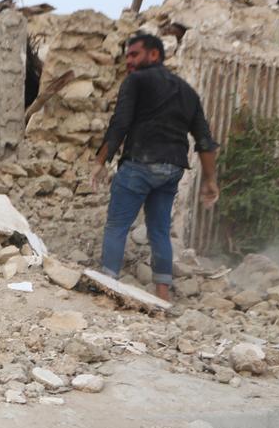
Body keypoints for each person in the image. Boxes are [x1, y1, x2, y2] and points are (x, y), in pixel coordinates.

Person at [90, 33, 220, 302]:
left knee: (117, 225)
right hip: (172, 170)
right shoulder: (188, 91)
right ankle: (162, 294)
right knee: (159, 230)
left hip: (140, 163)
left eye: (134, 55)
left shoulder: (135, 81)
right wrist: (210, 179)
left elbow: (120, 122)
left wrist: (101, 161)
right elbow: (205, 141)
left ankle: (108, 287)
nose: (129, 61)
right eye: (127, 56)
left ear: (154, 55)